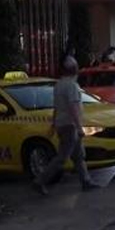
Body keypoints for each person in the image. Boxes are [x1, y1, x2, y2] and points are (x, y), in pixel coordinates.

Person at [32, 57, 98, 194]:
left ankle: (86, 181)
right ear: (75, 69)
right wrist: (79, 127)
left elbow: (56, 107)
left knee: (79, 156)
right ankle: (40, 180)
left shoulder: (59, 85)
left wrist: (54, 124)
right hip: (70, 125)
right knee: (62, 157)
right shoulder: (72, 86)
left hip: (63, 124)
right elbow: (73, 107)